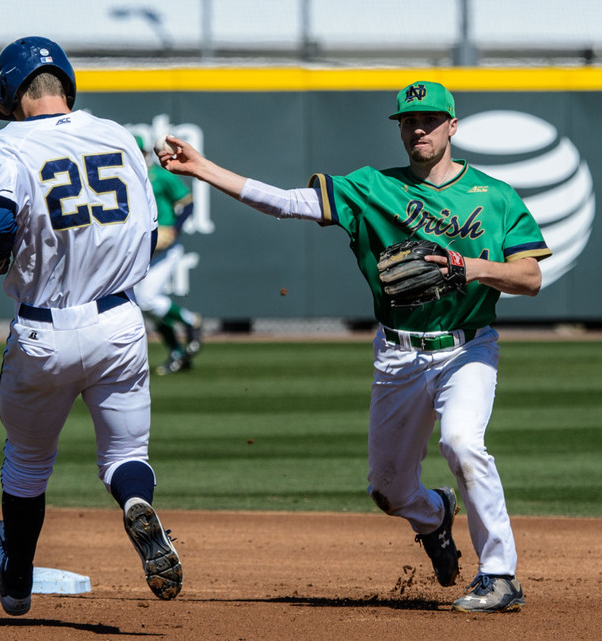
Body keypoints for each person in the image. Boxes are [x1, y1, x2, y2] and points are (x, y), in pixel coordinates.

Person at [155, 81, 550, 613]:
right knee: (388, 492)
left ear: (452, 126)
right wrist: (205, 169)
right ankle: (435, 516)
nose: (419, 129)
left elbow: (530, 277)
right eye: (409, 121)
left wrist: (468, 268)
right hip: (398, 354)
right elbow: (287, 203)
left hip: (467, 348)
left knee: (461, 443)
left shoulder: (494, 195)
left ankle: (500, 575)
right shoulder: (372, 188)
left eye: (430, 120)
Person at [0, 36, 182, 616]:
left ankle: (15, 584)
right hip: (119, 321)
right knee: (124, 455)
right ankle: (135, 505)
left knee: (28, 462)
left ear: (12, 93)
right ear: (66, 84)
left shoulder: (6, 143)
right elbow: (147, 231)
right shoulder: (118, 135)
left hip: (44, 328)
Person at [133, 134, 203, 375]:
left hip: (164, 249)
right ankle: (178, 349)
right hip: (139, 249)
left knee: (146, 301)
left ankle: (188, 322)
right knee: (144, 305)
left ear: (145, 154)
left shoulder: (159, 175)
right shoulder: (123, 177)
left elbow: (188, 202)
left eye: (138, 152)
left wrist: (175, 228)